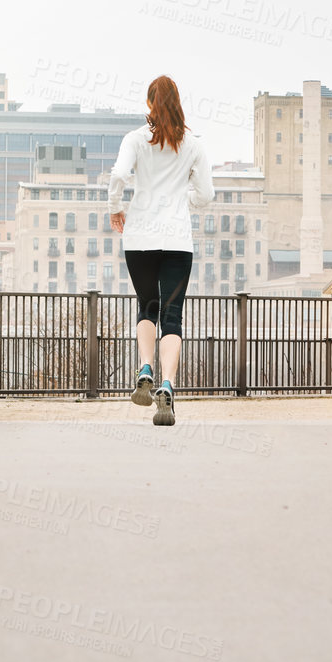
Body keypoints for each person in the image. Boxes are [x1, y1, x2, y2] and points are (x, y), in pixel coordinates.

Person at [107, 75, 214, 426]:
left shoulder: (135, 140)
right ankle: (166, 385)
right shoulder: (194, 145)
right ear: (178, 102)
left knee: (146, 306)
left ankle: (145, 369)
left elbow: (120, 173)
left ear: (150, 103)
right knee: (172, 317)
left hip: (139, 239)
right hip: (177, 241)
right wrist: (186, 198)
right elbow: (206, 196)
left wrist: (115, 207)